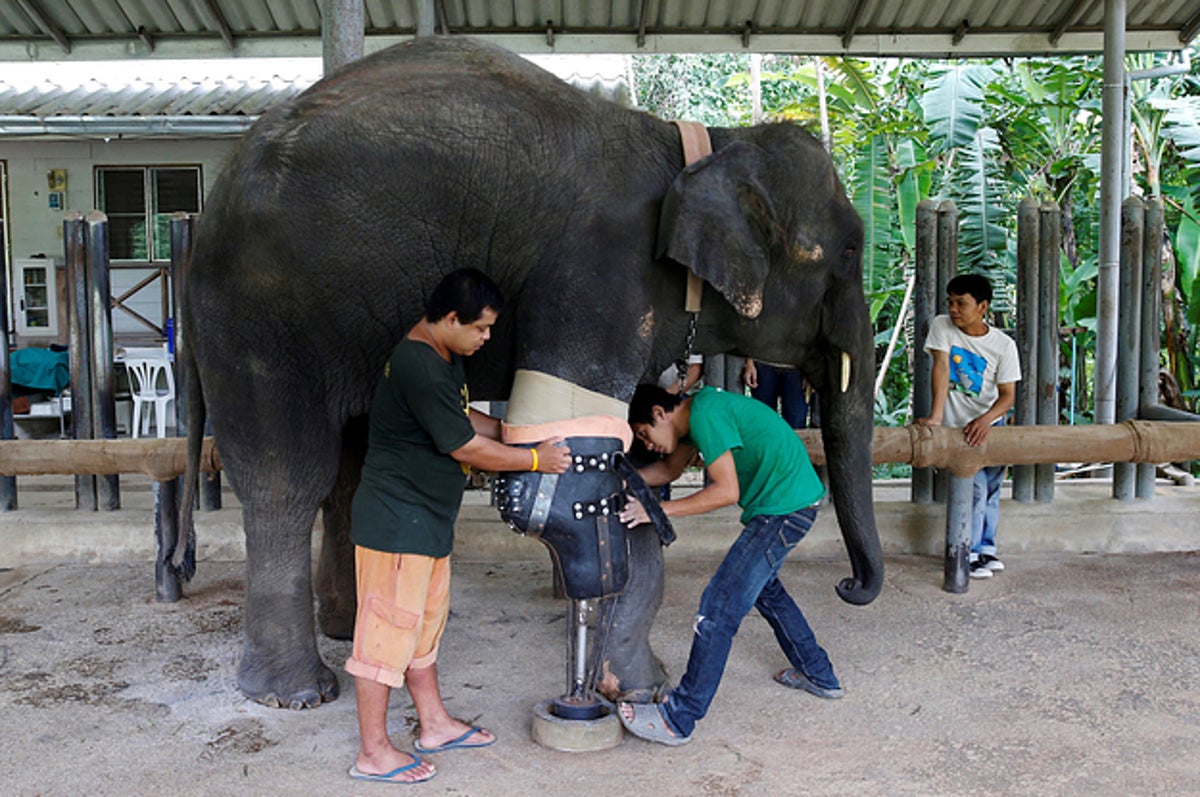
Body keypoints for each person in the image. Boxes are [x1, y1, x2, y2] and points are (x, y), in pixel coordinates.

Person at [346, 268, 572, 783]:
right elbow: (463, 446)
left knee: (422, 630)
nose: (486, 338)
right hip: (396, 523)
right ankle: (373, 751)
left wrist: (522, 435)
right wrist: (535, 460)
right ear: (451, 319)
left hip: (424, 520)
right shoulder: (419, 365)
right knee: (383, 638)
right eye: (481, 329)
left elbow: (463, 420)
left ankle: (435, 724)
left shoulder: (442, 356)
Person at [615, 383, 840, 746]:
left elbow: (725, 491)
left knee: (718, 608)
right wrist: (618, 481)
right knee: (765, 591)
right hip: (789, 504)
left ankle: (679, 718)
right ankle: (819, 673)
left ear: (659, 413)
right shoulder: (692, 421)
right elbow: (667, 471)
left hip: (783, 509)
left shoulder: (706, 413)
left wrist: (655, 510)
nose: (647, 445)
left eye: (644, 434)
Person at [918, 273, 1021, 580]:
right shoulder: (942, 327)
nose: (953, 309)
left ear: (982, 307)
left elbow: (1007, 396)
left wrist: (985, 420)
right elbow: (941, 366)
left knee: (990, 489)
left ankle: (986, 549)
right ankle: (970, 552)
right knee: (973, 489)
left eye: (961, 303)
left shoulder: (1004, 345)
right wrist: (936, 418)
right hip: (957, 428)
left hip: (991, 424)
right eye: (950, 302)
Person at [742, 358, 812, 429]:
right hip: (762, 363)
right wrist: (749, 362)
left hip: (798, 368)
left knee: (795, 425)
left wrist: (811, 370)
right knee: (763, 424)